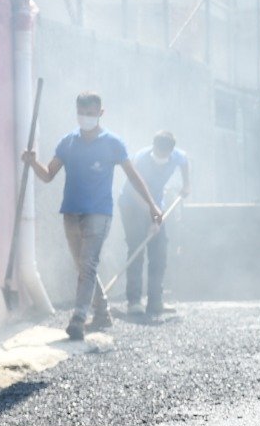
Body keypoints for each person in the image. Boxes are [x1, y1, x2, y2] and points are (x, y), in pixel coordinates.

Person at [23, 91, 161, 341]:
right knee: (83, 266)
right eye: (81, 113)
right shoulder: (68, 142)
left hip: (99, 213)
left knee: (87, 265)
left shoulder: (113, 143)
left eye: (90, 113)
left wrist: (152, 205)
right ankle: (103, 311)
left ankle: (78, 317)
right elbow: (47, 175)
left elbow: (133, 176)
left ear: (100, 113)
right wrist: (32, 162)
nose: (85, 117)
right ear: (76, 112)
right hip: (71, 212)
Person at [119, 130, 189, 319]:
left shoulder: (176, 156)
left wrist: (186, 184)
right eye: (157, 152)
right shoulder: (141, 159)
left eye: (163, 154)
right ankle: (134, 301)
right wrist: (151, 214)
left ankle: (155, 301)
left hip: (156, 206)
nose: (160, 157)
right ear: (153, 146)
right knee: (136, 249)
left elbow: (185, 162)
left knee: (159, 251)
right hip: (132, 204)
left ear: (170, 151)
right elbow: (134, 190)